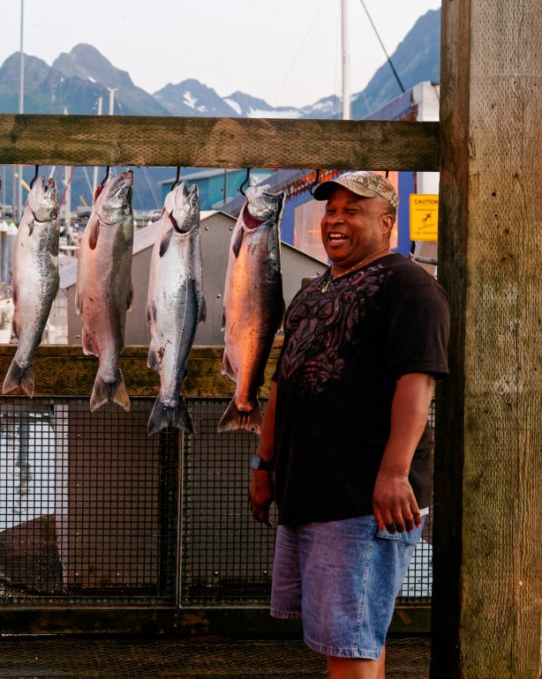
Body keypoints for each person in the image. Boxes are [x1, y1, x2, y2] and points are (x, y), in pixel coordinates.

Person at [248, 171, 449, 679]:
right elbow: (283, 384)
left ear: (387, 222)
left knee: (350, 647)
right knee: (356, 641)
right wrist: (264, 465)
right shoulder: (311, 291)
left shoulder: (408, 285)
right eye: (331, 210)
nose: (336, 219)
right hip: (310, 493)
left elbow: (417, 384)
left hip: (366, 499)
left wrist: (394, 473)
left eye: (352, 210)